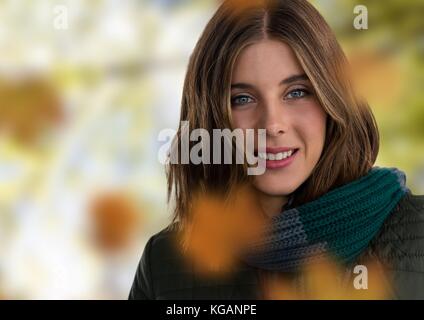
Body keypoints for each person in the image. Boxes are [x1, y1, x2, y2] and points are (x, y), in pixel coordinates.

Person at [129, 0, 424, 299]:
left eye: (297, 92)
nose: (272, 125)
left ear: (333, 101)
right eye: (242, 99)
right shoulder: (165, 262)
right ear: (210, 117)